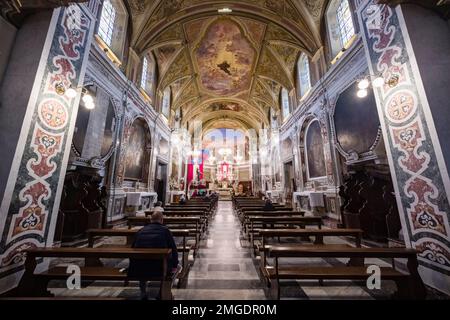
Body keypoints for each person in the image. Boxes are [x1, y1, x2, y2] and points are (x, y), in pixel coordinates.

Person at [127, 211, 180, 300]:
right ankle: (162, 292)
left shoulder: (141, 231)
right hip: (159, 267)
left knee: (143, 263)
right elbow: (173, 250)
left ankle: (143, 293)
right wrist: (175, 264)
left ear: (150, 220)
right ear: (162, 220)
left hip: (139, 267)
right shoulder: (166, 231)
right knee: (178, 268)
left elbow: (133, 248)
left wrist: (133, 265)